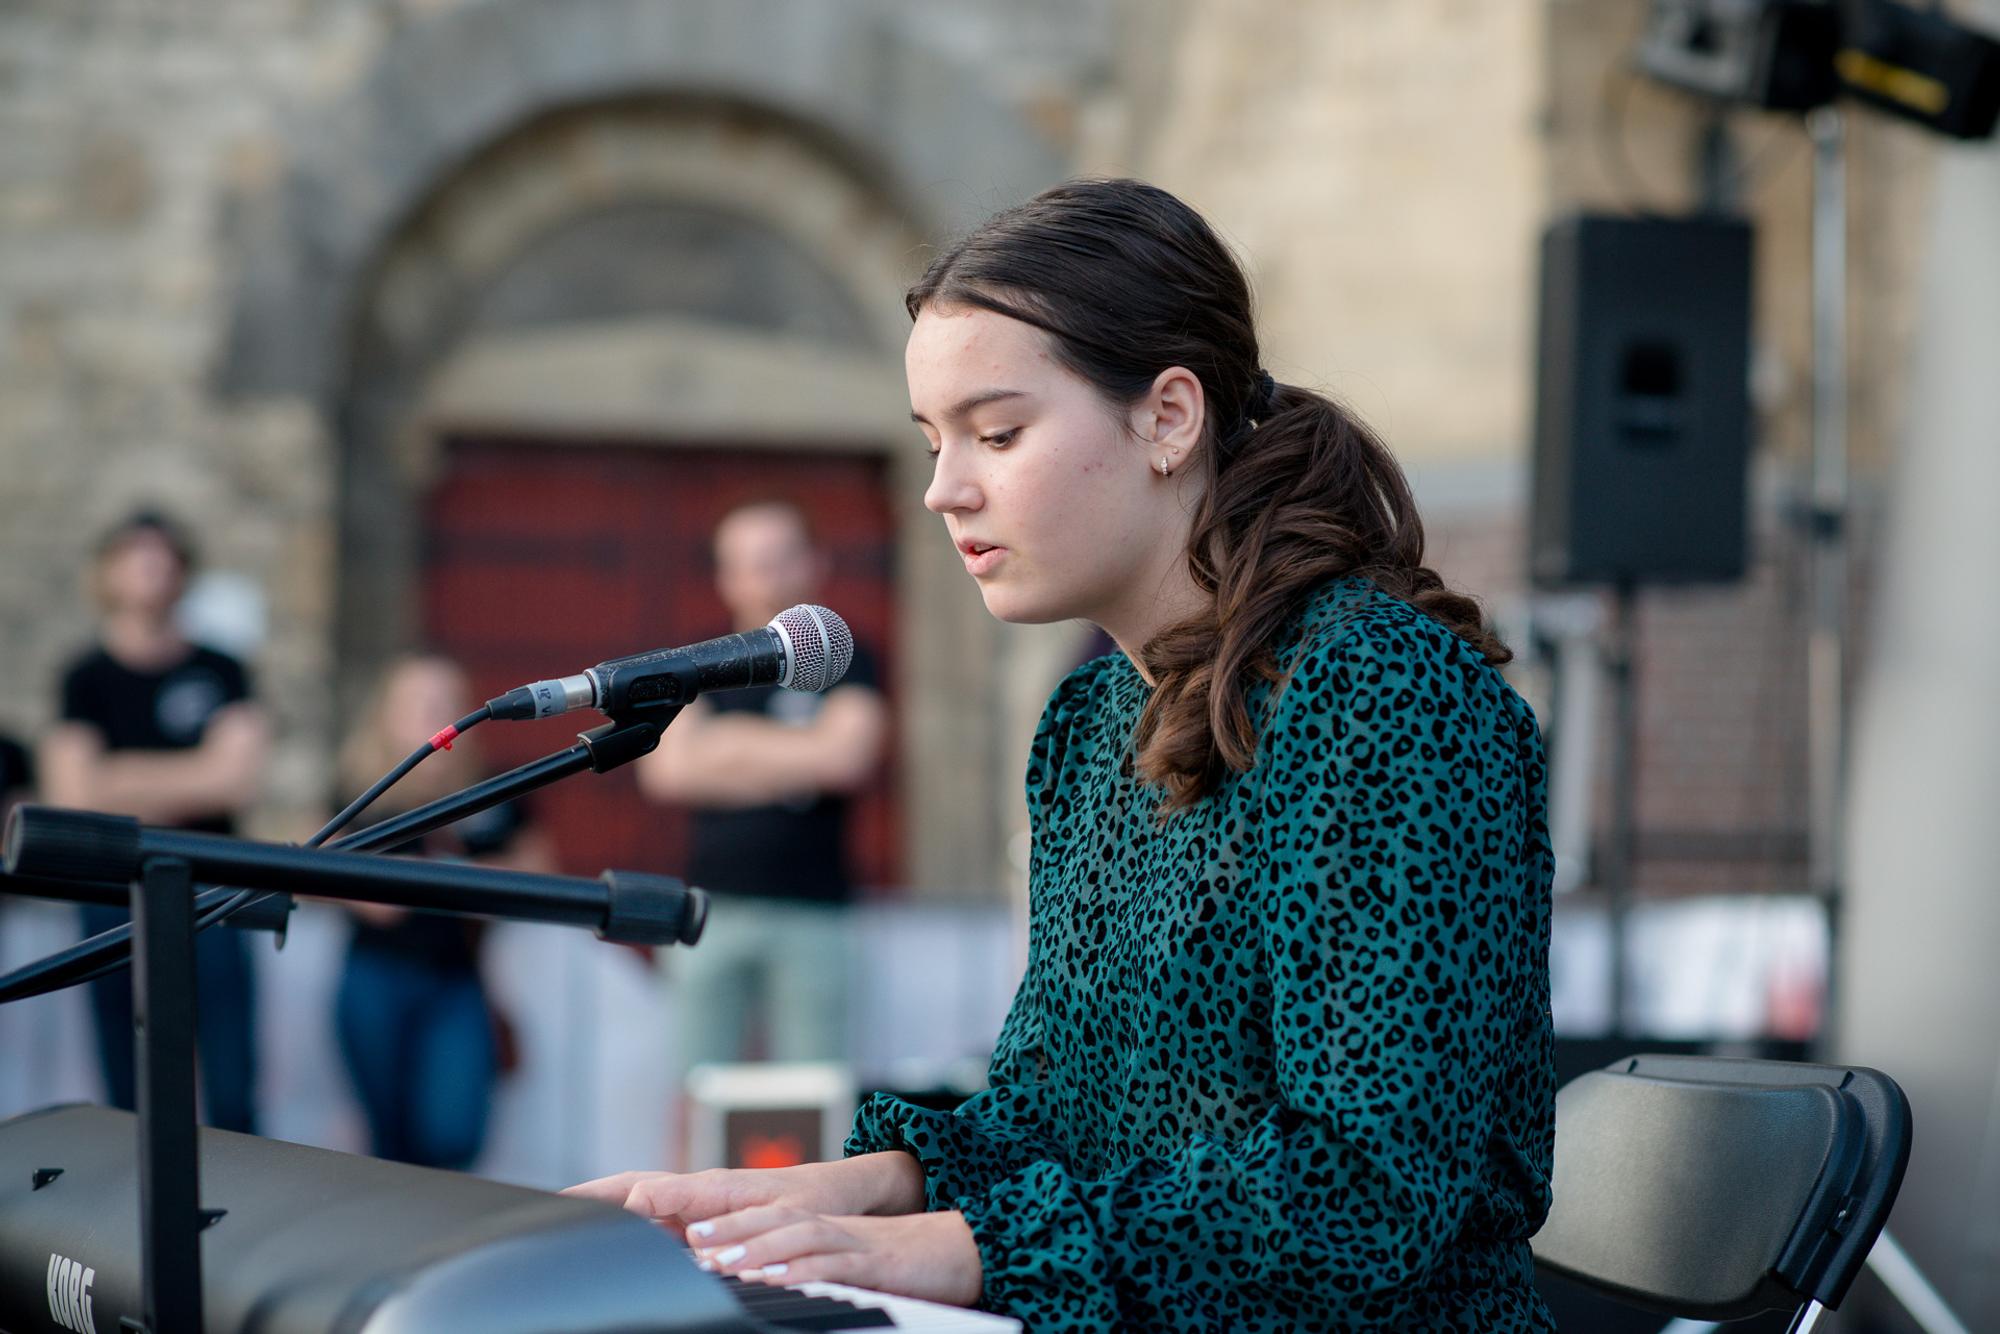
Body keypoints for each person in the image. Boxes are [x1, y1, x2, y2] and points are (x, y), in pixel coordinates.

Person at [568, 179, 1556, 1331]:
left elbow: (1365, 1190)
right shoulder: (1089, 724)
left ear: (1167, 417)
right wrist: (805, 1197)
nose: (945, 489)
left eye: (997, 432)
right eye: (933, 441)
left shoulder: (1383, 695)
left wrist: (949, 1247)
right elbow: (1053, 1118)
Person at [635, 500, 889, 1081]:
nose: (764, 578)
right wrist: (796, 760)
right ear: (725, 576)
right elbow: (669, 772)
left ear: (813, 564)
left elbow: (846, 759)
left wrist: (723, 746)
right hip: (709, 910)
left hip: (815, 913)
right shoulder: (693, 663)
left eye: (778, 560)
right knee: (695, 1090)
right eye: (748, 563)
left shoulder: (850, 658)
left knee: (812, 1095)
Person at [40, 510, 267, 1133]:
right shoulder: (84, 677)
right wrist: (190, 774)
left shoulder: (222, 670)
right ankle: (134, 1216)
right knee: (125, 1078)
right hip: (113, 895)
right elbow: (73, 793)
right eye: (137, 556)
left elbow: (235, 777)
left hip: (214, 890)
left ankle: (241, 1200)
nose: (153, 570)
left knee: (231, 1074)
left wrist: (119, 777)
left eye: (166, 557)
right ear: (108, 574)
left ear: (185, 574)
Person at [332, 653, 553, 1169]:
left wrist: (429, 880)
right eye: (418, 703)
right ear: (386, 716)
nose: (435, 715)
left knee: (454, 1132)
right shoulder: (363, 794)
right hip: (376, 973)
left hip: (459, 977)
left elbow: (540, 873)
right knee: (388, 1133)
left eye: (447, 702)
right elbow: (324, 873)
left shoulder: (496, 790)